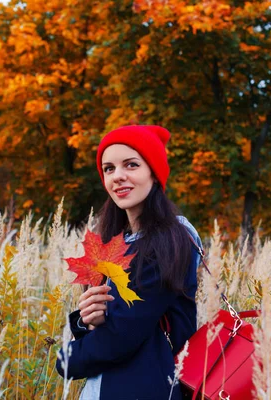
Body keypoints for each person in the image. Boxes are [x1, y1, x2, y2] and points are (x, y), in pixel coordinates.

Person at [56, 125, 203, 400]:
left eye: (131, 165)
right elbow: (103, 327)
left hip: (147, 388)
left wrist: (67, 360)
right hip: (102, 389)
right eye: (108, 168)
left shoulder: (172, 238)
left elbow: (121, 337)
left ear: (154, 172)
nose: (118, 176)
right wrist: (85, 322)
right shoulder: (114, 240)